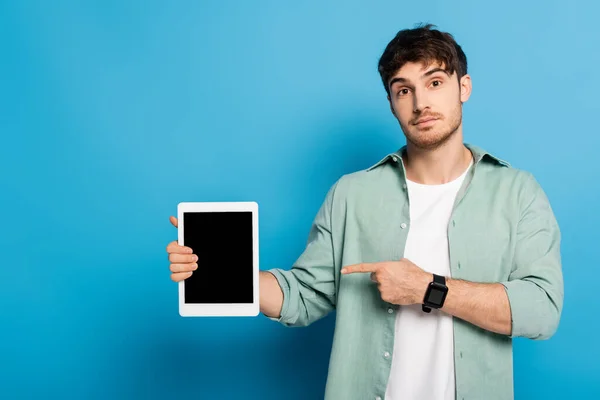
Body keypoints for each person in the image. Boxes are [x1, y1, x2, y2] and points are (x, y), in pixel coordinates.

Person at [166, 23, 563, 400]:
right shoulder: (350, 195)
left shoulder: (518, 192)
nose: (421, 102)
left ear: (464, 87)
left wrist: (427, 288)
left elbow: (541, 310)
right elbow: (303, 296)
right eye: (403, 90)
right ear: (391, 103)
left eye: (435, 82)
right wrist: (222, 273)